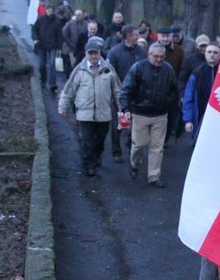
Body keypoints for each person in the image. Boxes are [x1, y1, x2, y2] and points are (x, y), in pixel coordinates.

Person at [57, 37, 121, 177]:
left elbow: (117, 90)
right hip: (84, 113)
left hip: (104, 113)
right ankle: (89, 165)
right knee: (87, 139)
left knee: (100, 139)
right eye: (90, 53)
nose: (93, 56)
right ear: (86, 54)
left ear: (100, 53)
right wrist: (63, 106)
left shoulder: (109, 69)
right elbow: (68, 90)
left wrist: (122, 107)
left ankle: (96, 156)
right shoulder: (79, 70)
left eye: (95, 53)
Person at [119, 42, 178, 188]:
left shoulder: (168, 70)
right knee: (138, 144)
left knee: (157, 147)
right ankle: (134, 164)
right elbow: (126, 90)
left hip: (160, 114)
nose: (159, 59)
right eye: (156, 56)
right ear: (149, 54)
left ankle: (154, 176)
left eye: (162, 57)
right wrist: (126, 109)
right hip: (140, 113)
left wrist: (166, 103)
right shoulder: (138, 68)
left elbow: (174, 91)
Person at [107, 24, 148, 162]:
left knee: (136, 123)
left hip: (137, 93)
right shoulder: (114, 52)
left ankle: (132, 146)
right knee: (117, 124)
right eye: (136, 35)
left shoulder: (141, 51)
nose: (138, 37)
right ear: (128, 36)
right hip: (119, 93)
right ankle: (116, 151)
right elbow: (110, 74)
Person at [182, 42, 220, 142]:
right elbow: (188, 98)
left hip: (219, 118)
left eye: (215, 52)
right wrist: (188, 120)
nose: (212, 55)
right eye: (209, 52)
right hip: (200, 116)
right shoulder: (197, 73)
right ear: (205, 54)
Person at [31, 3, 63, 93]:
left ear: (53, 12)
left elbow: (59, 34)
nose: (50, 13)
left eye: (52, 11)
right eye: (49, 11)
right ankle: (43, 79)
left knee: (52, 64)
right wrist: (35, 39)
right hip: (42, 45)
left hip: (53, 45)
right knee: (42, 64)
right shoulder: (41, 19)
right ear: (46, 11)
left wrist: (59, 45)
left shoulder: (57, 21)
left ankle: (53, 83)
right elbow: (34, 30)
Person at [61, 9, 87, 77]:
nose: (77, 16)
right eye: (76, 15)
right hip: (70, 48)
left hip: (81, 48)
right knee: (69, 65)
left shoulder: (86, 24)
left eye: (79, 15)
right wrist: (70, 44)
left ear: (83, 15)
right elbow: (64, 34)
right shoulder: (70, 23)